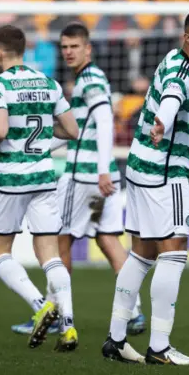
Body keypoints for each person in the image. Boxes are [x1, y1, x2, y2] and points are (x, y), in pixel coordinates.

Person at [10, 22, 146, 337]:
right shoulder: (87, 80)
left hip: (85, 178)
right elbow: (78, 132)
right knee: (109, 239)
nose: (69, 52)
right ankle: (135, 312)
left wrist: (99, 170)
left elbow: (104, 119)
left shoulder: (90, 80)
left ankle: (56, 312)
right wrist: (38, 149)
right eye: (65, 47)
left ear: (89, 48)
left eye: (75, 46)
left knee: (60, 240)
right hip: (105, 177)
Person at [101, 10, 189, 366]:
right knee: (175, 253)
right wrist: (162, 124)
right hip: (163, 174)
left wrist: (175, 142)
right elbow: (170, 98)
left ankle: (116, 339)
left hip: (140, 165)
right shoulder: (184, 74)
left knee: (142, 254)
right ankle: (160, 347)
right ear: (188, 38)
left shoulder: (174, 58)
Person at [0, 24, 80, 352]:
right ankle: (69, 324)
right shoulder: (49, 84)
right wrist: (46, 134)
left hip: (10, 180)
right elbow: (72, 130)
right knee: (51, 256)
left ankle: (40, 305)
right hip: (44, 177)